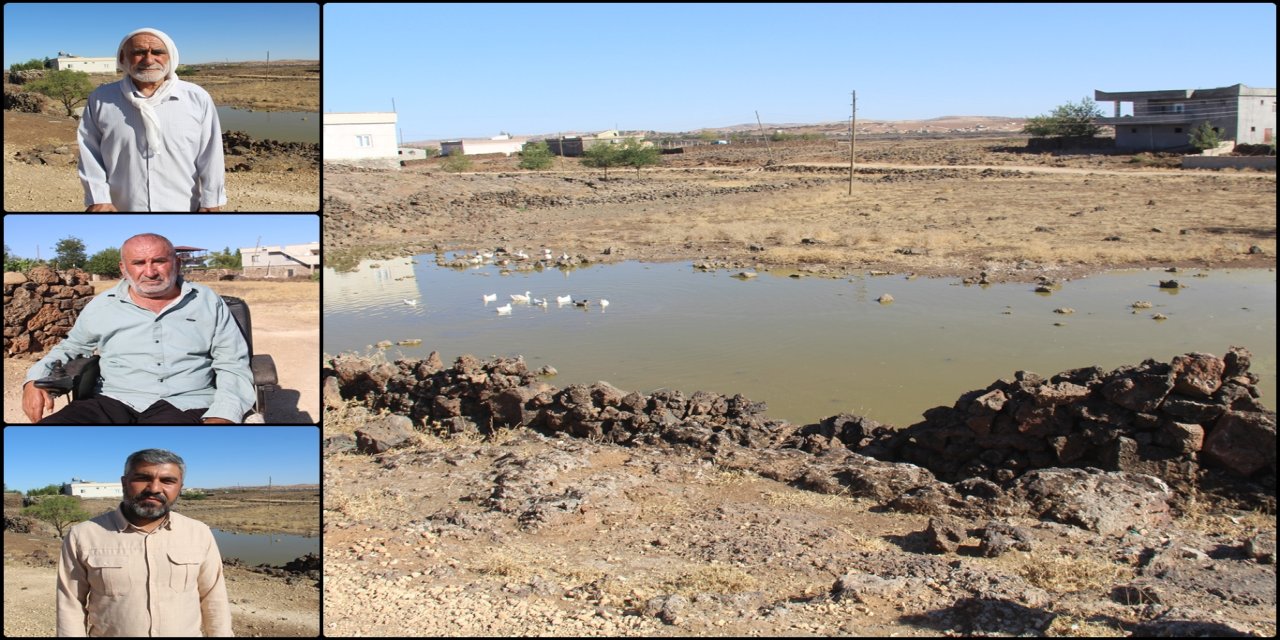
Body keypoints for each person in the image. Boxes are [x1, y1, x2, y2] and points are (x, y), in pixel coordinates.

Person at [21, 233, 255, 424]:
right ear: (124, 269)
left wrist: (224, 414)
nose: (150, 272)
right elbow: (71, 347)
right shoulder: (103, 305)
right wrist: (33, 380)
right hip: (112, 400)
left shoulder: (207, 302)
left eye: (159, 261)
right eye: (139, 263)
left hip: (186, 402)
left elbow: (232, 362)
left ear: (177, 263)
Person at [56, 449, 233, 637]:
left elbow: (214, 599)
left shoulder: (199, 533)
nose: (154, 488)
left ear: (180, 487)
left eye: (168, 481)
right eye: (142, 478)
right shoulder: (83, 535)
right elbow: (70, 604)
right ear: (124, 483)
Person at [78, 27, 226, 212]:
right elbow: (90, 151)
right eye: (138, 53)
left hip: (183, 206)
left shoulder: (196, 98)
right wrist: (98, 198)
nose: (148, 60)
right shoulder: (101, 98)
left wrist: (211, 201)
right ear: (123, 58)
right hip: (120, 207)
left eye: (157, 52)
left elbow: (211, 154)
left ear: (171, 57)